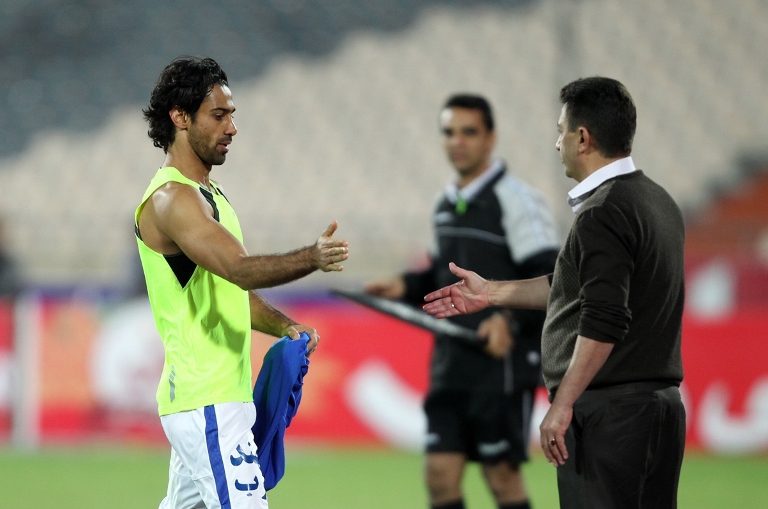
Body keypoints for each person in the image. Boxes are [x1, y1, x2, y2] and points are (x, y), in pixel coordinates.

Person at [423, 77, 686, 509]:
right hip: (661, 410)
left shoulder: (602, 212)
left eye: (561, 130)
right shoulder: (657, 202)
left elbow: (603, 318)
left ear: (582, 138)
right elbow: (573, 288)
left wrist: (563, 404)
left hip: (610, 415)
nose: (556, 142)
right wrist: (490, 293)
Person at [136, 56, 349, 509]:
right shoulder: (172, 199)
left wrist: (284, 326)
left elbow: (229, 290)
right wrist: (311, 258)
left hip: (214, 398)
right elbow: (238, 268)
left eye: (231, 115)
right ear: (180, 117)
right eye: (219, 115)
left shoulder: (208, 195)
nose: (232, 128)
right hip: (207, 402)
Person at [365, 94, 559, 509]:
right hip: (451, 362)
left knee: (502, 477)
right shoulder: (444, 204)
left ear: (491, 138)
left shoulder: (518, 201)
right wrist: (403, 284)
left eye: (468, 132)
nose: (457, 141)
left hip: (502, 366)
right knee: (439, 476)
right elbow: (439, 276)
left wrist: (508, 322)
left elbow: (551, 280)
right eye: (449, 132)